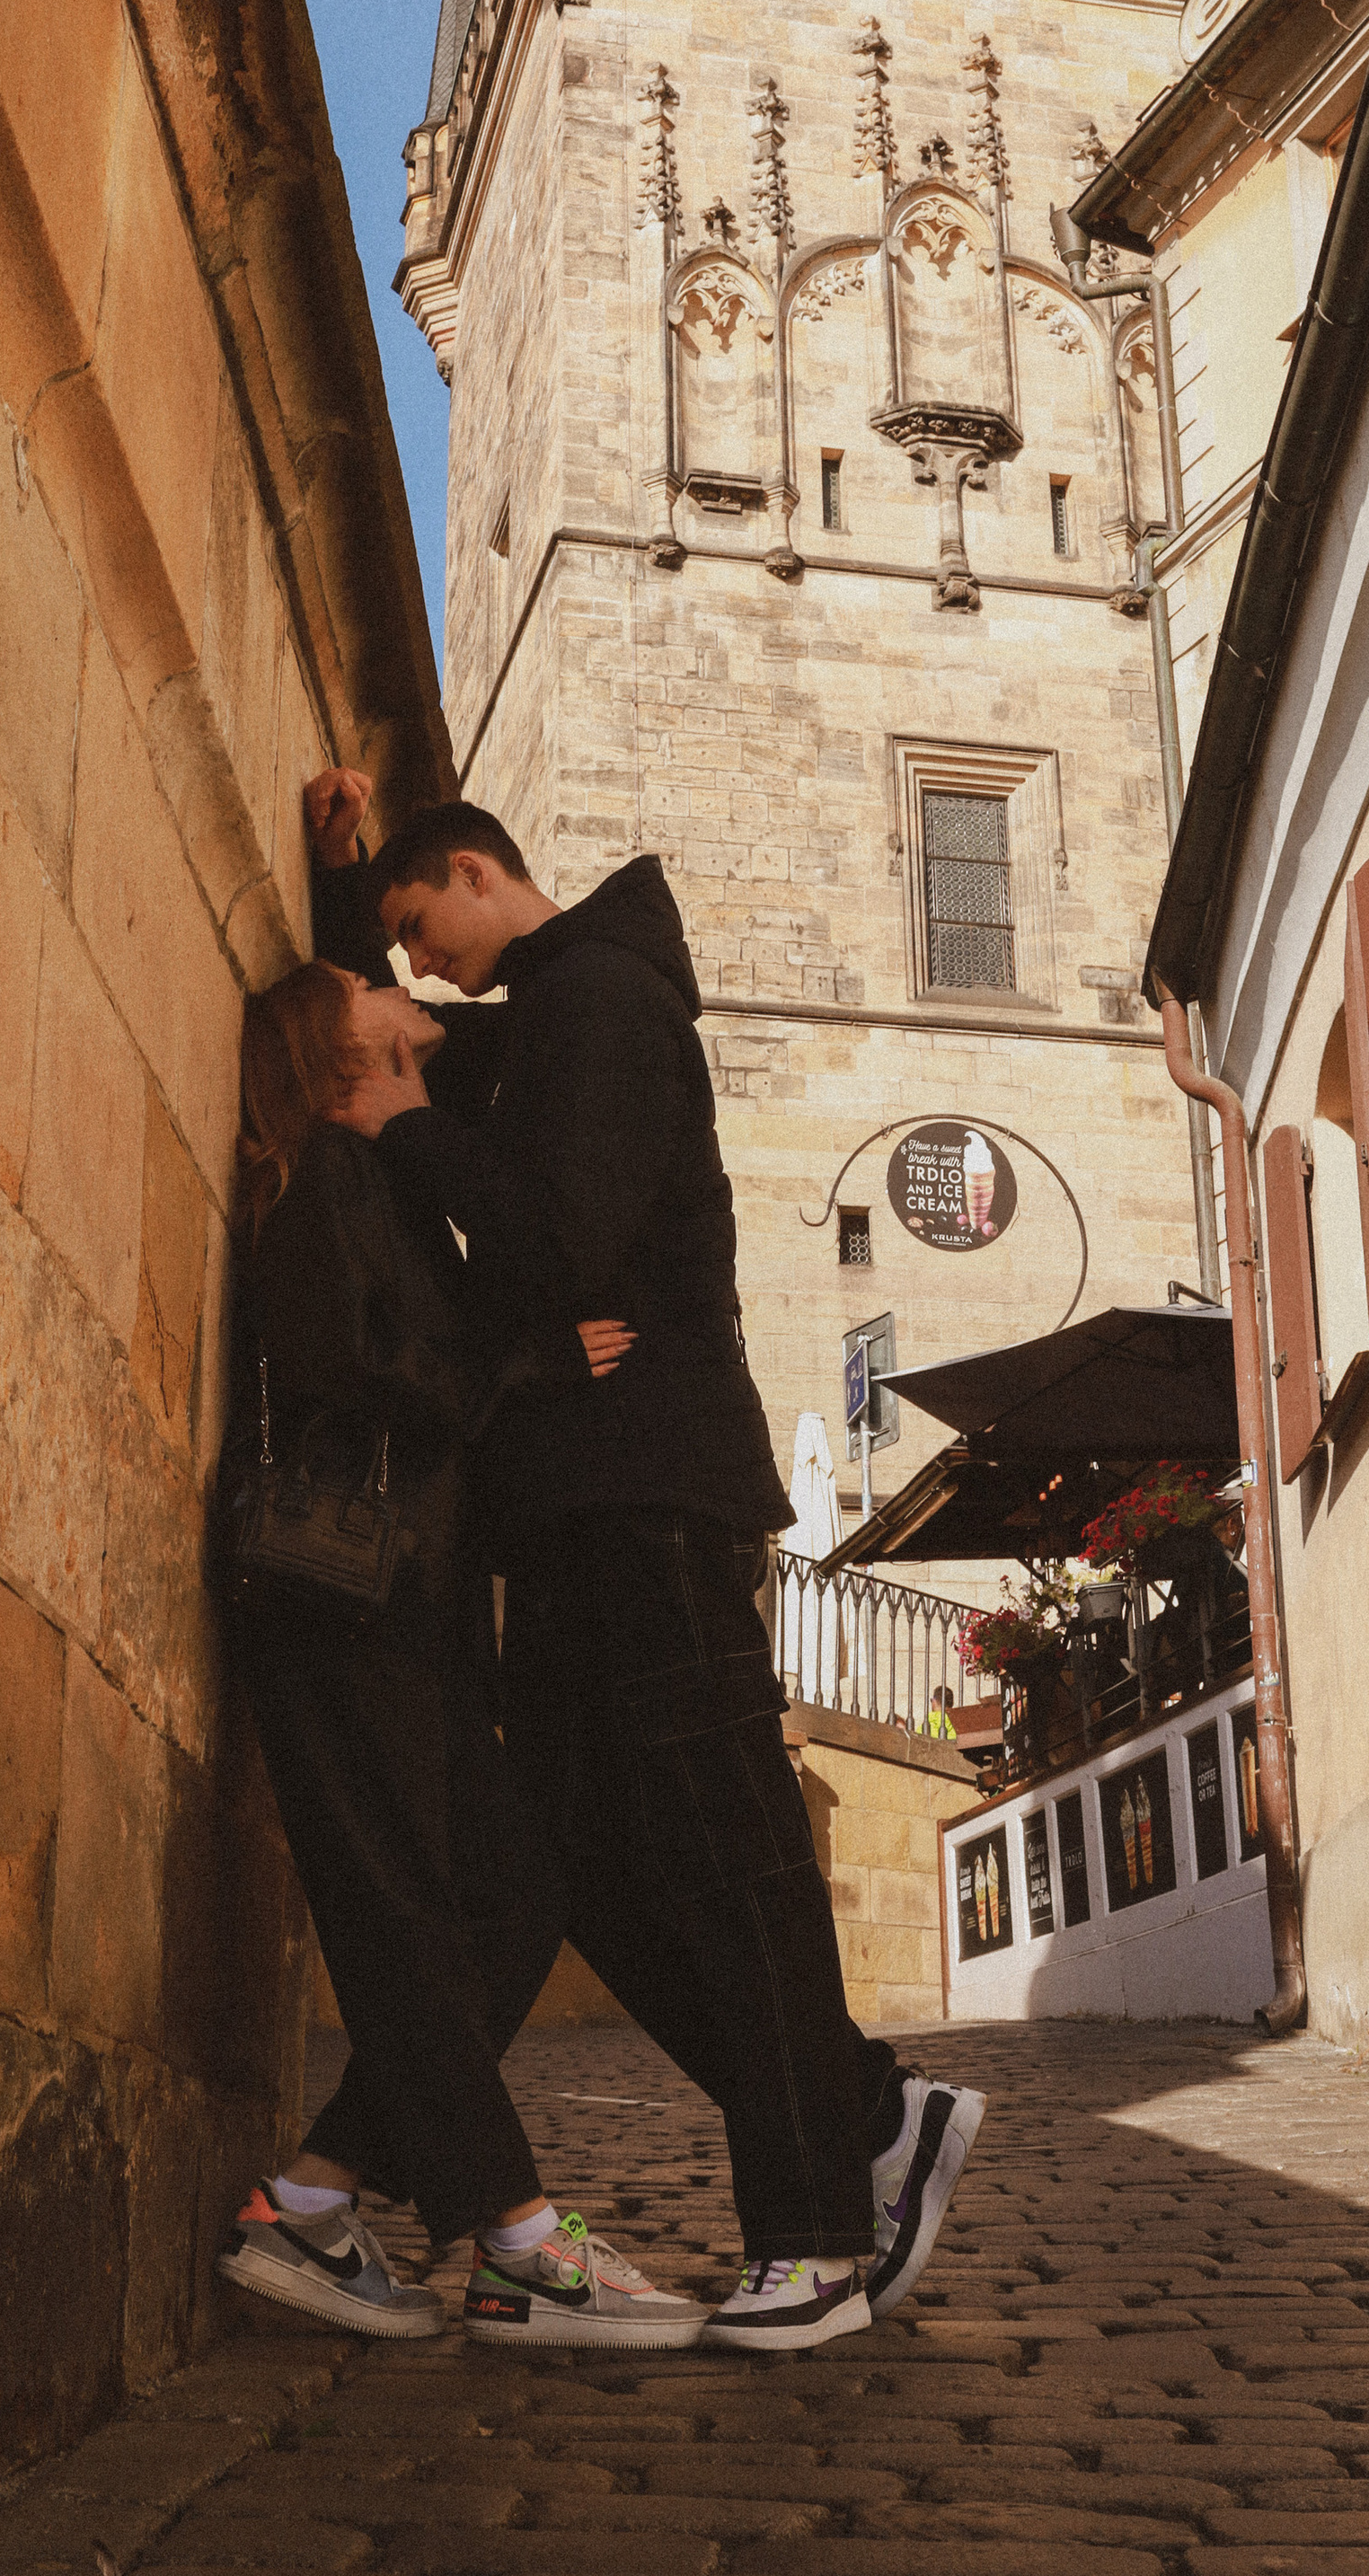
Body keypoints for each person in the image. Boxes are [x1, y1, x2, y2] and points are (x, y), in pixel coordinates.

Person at [306, 773, 984, 2352]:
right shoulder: (547, 1008)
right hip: (574, 1509)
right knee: (577, 1883)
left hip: (650, 1497)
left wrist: (413, 1135)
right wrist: (350, 888)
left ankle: (818, 2239)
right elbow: (392, 1040)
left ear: (482, 875)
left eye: (424, 928)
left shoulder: (601, 998)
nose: (427, 971)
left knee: (734, 1856)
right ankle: (865, 2114)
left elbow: (566, 1243)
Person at [215, 955, 707, 2352]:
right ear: (332, 1052)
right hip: (332, 1598)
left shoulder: (382, 1167)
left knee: (512, 1891)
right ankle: (521, 2244)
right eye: (369, 986)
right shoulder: (324, 1173)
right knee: (406, 1916)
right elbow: (345, 1360)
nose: (403, 989)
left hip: (404, 1608)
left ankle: (314, 2199)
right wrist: (526, 1366)